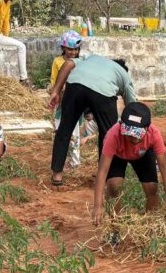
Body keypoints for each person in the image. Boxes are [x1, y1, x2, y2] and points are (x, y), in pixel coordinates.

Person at [49, 54, 138, 187]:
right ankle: (103, 178)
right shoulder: (124, 75)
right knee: (108, 135)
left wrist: (56, 91)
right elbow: (133, 108)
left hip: (75, 85)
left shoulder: (92, 58)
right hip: (103, 92)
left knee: (64, 129)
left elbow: (68, 63)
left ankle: (57, 176)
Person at [91, 102, 166, 228]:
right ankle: (115, 225)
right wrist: (97, 205)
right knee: (114, 185)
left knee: (152, 188)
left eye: (137, 134)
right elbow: (102, 170)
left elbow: (164, 166)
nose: (133, 138)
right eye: (129, 133)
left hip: (143, 154)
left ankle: (150, 225)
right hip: (118, 155)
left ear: (147, 128)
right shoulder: (113, 135)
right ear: (122, 126)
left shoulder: (154, 134)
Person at [50, 30, 85, 169]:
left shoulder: (80, 62)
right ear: (63, 48)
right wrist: (56, 94)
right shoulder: (57, 61)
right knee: (60, 131)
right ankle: (63, 160)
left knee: (74, 131)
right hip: (60, 101)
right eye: (70, 49)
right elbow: (54, 81)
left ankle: (75, 161)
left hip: (75, 101)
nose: (73, 52)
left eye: (76, 49)